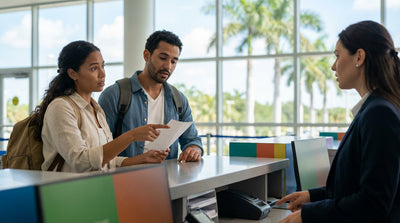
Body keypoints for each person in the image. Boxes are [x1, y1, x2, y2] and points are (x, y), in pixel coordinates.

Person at [277, 20, 400, 223]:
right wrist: (311, 196)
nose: (333, 66)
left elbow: (373, 203)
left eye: (337, 56)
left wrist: (307, 215)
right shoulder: (377, 108)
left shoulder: (379, 113)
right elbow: (356, 186)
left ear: (359, 57)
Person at [38, 40, 171, 172]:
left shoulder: (96, 109)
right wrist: (131, 136)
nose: (103, 74)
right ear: (73, 73)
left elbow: (106, 160)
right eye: (94, 68)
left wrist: (141, 159)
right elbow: (80, 161)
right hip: (68, 191)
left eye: (103, 66)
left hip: (97, 189)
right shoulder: (60, 107)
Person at [98, 30, 203, 162]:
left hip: (166, 179)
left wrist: (193, 149)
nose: (168, 66)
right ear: (147, 55)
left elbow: (192, 140)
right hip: (124, 178)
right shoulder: (115, 95)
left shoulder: (178, 99)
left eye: (174, 61)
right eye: (163, 58)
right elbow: (99, 149)